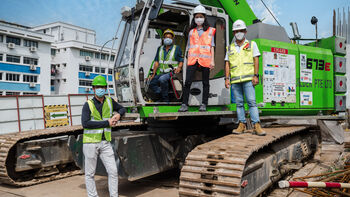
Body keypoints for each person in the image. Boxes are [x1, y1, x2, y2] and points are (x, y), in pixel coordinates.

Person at [81, 75, 126, 197]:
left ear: (105, 88)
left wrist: (118, 115)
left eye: (102, 87)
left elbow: (122, 109)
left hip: (105, 142)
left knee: (113, 171)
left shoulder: (109, 102)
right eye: (97, 87)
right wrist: (107, 122)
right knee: (90, 174)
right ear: (93, 89)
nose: (100, 89)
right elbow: (85, 124)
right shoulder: (88, 105)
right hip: (90, 143)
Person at [224, 19, 266, 136]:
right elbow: (227, 63)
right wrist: (227, 78)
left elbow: (256, 60)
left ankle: (256, 125)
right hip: (235, 80)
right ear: (233, 33)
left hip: (248, 79)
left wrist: (256, 76)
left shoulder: (252, 44)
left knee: (252, 102)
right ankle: (241, 125)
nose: (239, 33)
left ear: (245, 31)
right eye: (236, 31)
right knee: (239, 104)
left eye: (241, 30)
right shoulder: (230, 47)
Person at [178, 5, 216, 112]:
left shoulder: (209, 31)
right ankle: (184, 104)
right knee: (187, 82)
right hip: (193, 59)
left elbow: (212, 46)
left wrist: (212, 60)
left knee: (205, 83)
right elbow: (189, 47)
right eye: (197, 16)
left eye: (201, 16)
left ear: (204, 17)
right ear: (194, 18)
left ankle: (204, 104)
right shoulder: (191, 32)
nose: (199, 18)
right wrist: (186, 60)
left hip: (205, 60)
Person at [148, 29, 184, 102]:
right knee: (151, 83)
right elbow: (157, 62)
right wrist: (153, 74)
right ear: (163, 38)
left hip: (172, 72)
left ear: (173, 39)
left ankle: (165, 99)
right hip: (161, 72)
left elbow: (181, 60)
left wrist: (179, 68)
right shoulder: (160, 48)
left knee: (162, 79)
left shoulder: (176, 48)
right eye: (166, 37)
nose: (168, 39)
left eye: (170, 37)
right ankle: (163, 94)